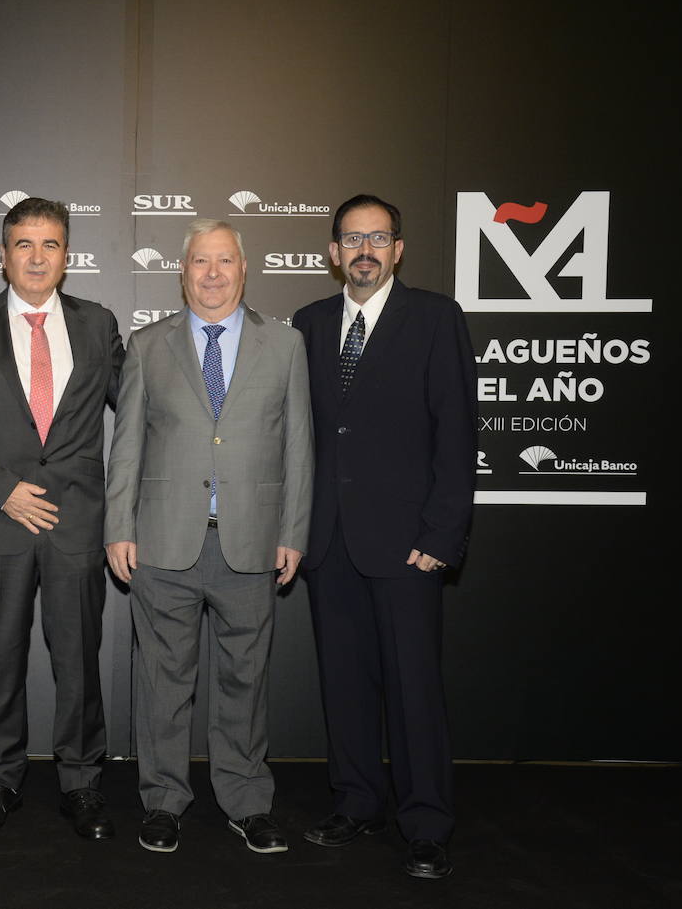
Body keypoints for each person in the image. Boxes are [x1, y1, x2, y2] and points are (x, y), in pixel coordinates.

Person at [105, 218, 312, 855]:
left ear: (243, 271)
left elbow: (298, 447)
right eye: (201, 261)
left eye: (225, 261)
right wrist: (118, 527)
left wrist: (294, 531)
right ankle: (163, 801)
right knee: (163, 684)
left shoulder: (286, 346)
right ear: (183, 270)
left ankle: (247, 801)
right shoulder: (146, 346)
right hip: (164, 543)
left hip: (251, 544)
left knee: (244, 684)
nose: (213, 273)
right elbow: (128, 446)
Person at [292, 194, 477, 879]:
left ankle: (426, 820)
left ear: (397, 249)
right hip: (327, 539)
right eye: (351, 238)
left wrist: (442, 532)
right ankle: (357, 799)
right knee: (343, 682)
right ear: (334, 252)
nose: (364, 249)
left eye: (378, 237)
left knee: (413, 686)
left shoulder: (434, 318)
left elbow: (457, 433)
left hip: (407, 543)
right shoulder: (309, 324)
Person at [0, 197, 124, 840]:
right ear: (4, 252)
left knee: (78, 660)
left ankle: (83, 784)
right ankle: (1, 780)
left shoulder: (98, 324)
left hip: (76, 523)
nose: (37, 257)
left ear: (66, 256)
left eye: (50, 246)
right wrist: (1, 488)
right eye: (24, 244)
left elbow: (144, 405)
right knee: (0, 660)